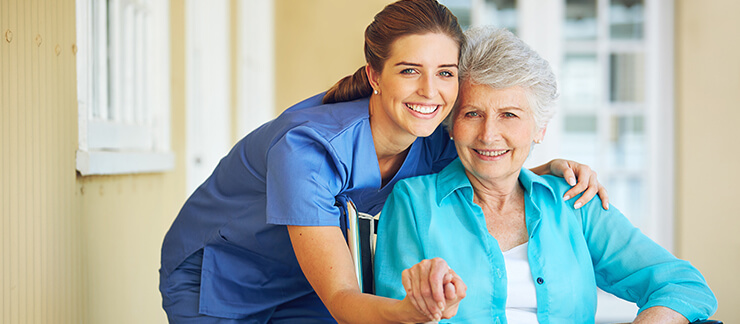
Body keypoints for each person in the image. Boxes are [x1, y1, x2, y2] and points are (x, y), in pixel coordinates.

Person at [159, 1, 608, 323]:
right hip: (223, 278)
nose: (431, 92)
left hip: (310, 281)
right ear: (375, 74)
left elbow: (492, 158)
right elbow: (342, 297)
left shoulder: (432, 139)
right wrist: (410, 312)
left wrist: (544, 171)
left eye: (445, 73)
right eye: (410, 70)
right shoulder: (308, 150)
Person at [374, 27, 717, 323]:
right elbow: (390, 315)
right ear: (451, 125)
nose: (489, 134)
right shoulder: (413, 202)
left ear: (540, 128)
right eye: (473, 113)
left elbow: (683, 285)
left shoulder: (574, 201)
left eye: (509, 115)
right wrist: (422, 309)